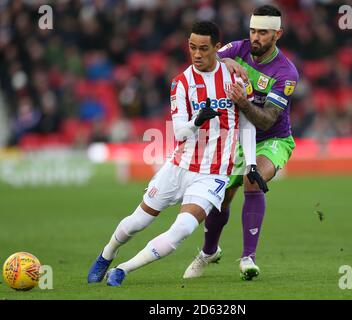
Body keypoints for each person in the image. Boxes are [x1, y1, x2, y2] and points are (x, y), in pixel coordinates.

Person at [87, 21, 265, 286]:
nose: (197, 54)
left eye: (204, 48)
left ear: (217, 48)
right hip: (179, 166)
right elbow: (180, 132)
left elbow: (248, 123)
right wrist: (197, 121)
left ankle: (123, 269)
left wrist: (250, 164)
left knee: (182, 229)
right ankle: (107, 254)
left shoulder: (236, 78)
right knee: (137, 222)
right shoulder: (181, 83)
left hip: (214, 173)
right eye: (192, 47)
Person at [183, 5, 299, 281]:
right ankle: (208, 251)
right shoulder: (239, 48)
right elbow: (204, 60)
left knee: (252, 176)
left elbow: (267, 120)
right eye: (252, 31)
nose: (255, 37)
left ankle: (248, 258)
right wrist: (225, 62)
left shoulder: (286, 73)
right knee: (219, 197)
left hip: (273, 139)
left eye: (263, 32)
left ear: (277, 34)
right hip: (237, 137)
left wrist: (242, 101)